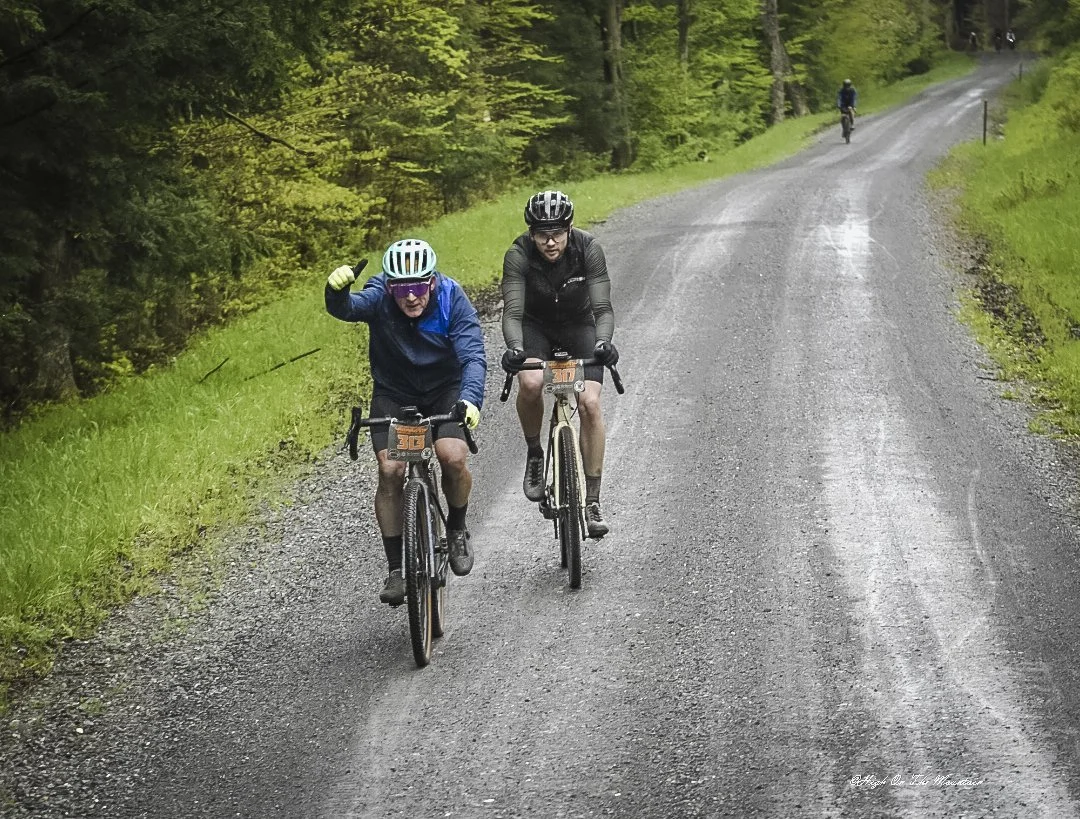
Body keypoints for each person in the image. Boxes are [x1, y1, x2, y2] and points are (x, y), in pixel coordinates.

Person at [325, 239, 486, 605]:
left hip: (445, 390)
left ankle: (457, 529)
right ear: (389, 284)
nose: (410, 297)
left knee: (452, 457)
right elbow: (348, 308)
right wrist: (334, 292)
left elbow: (473, 355)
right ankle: (396, 569)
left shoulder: (450, 297)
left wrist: (470, 399)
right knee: (391, 470)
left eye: (418, 286)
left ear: (431, 282)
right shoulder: (379, 295)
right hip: (394, 393)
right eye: (401, 287)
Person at [500, 190, 618, 539]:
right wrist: (516, 348)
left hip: (579, 326)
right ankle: (535, 453)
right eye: (541, 234)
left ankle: (593, 500)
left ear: (569, 228)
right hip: (535, 328)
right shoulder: (518, 255)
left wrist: (603, 342)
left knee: (591, 403)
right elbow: (512, 313)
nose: (550, 242)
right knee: (533, 383)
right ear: (531, 233)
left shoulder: (589, 249)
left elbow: (603, 309)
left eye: (557, 233)